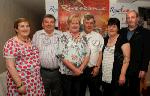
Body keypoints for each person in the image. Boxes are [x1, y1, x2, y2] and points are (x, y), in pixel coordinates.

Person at [3, 18, 45, 95]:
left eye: (27, 26)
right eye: (22, 26)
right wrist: (20, 85)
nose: (25, 28)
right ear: (16, 29)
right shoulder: (11, 43)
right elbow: (10, 66)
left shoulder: (30, 41)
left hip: (35, 82)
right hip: (22, 83)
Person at [56, 14, 90, 96]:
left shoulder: (84, 37)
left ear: (79, 25)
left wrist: (81, 69)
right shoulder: (63, 36)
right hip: (66, 75)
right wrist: (75, 69)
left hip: (80, 74)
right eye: (72, 23)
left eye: (77, 23)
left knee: (79, 93)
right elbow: (61, 55)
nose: (75, 25)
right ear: (68, 24)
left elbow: (87, 54)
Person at [120, 10, 150, 96]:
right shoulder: (122, 31)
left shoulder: (145, 32)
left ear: (137, 19)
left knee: (134, 90)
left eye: (132, 17)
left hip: (137, 67)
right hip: (123, 66)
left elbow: (147, 52)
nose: (130, 19)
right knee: (122, 90)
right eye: (128, 18)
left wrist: (144, 68)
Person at [32, 14, 63, 96]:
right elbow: (32, 52)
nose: (49, 24)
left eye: (51, 22)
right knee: (43, 93)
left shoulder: (61, 35)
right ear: (42, 24)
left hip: (58, 72)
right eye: (46, 22)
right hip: (42, 72)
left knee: (57, 93)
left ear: (55, 24)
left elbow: (65, 52)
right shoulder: (37, 35)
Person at [102, 18, 130, 96]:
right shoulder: (105, 40)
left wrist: (122, 74)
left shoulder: (123, 40)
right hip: (105, 76)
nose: (111, 28)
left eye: (114, 26)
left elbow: (126, 59)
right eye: (110, 26)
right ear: (107, 27)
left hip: (117, 76)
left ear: (118, 28)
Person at [80, 14, 104, 96]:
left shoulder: (99, 36)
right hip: (80, 69)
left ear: (94, 24)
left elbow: (100, 53)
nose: (89, 25)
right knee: (80, 92)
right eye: (87, 22)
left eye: (91, 23)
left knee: (95, 92)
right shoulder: (78, 36)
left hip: (94, 69)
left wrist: (97, 67)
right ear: (83, 23)